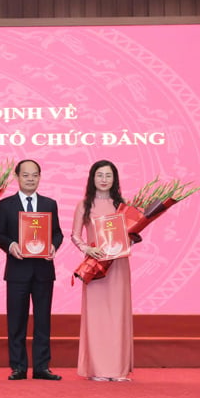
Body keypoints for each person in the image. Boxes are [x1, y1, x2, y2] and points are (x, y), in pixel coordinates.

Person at [0, 159, 64, 381]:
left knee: (43, 320)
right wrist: (10, 245)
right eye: (26, 175)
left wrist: (53, 245)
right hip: (17, 271)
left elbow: (58, 233)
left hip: (43, 270)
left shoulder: (49, 204)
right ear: (17, 177)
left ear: (40, 177)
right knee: (16, 321)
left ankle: (42, 367)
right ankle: (18, 366)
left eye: (34, 175)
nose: (30, 179)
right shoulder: (5, 205)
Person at [70, 159, 134, 382]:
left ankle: (118, 369)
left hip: (118, 266)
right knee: (96, 316)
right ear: (92, 178)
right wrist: (87, 248)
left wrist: (129, 241)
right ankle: (98, 368)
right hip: (96, 266)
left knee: (118, 315)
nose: (104, 180)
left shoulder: (123, 206)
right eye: (100, 175)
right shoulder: (84, 205)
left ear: (115, 179)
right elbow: (75, 235)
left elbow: (131, 233)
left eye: (108, 175)